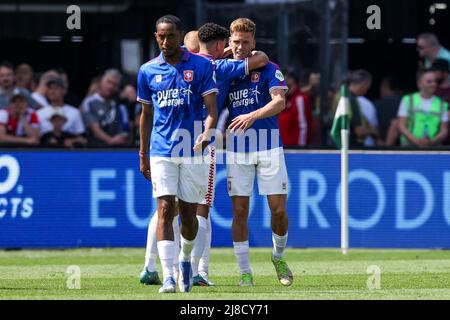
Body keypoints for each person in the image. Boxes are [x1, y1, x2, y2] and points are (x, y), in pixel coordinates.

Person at [137, 14, 218, 293]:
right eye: (160, 35)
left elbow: (212, 110)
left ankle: (185, 260)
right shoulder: (147, 70)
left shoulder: (200, 66)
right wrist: (142, 153)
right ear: (155, 36)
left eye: (170, 35)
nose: (165, 40)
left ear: (179, 35)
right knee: (164, 209)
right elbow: (145, 115)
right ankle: (169, 275)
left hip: (192, 149)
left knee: (188, 215)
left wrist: (207, 132)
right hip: (161, 150)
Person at [224, 17, 293, 287]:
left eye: (245, 42)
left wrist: (252, 115)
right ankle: (245, 271)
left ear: (254, 42)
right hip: (238, 149)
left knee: (278, 210)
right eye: (236, 41)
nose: (240, 46)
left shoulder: (268, 68)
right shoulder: (224, 70)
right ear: (229, 41)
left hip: (269, 145)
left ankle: (278, 257)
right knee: (240, 211)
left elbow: (279, 101)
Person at [397, 69, 448, 147]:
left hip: (433, 148)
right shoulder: (407, 100)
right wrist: (417, 142)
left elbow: (444, 130)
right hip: (409, 147)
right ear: (419, 84)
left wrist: (431, 142)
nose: (433, 84)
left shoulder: (442, 104)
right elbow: (401, 126)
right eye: (429, 81)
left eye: (435, 81)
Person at [81, 69, 130, 147]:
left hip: (118, 148)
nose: (111, 86)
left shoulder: (118, 103)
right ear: (101, 82)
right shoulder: (89, 102)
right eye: (109, 82)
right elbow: (95, 129)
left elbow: (125, 127)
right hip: (95, 148)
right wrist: (110, 140)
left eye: (115, 84)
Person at [278, 67, 312, 146]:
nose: (283, 80)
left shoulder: (300, 99)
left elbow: (303, 127)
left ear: (292, 79)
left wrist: (300, 149)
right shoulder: (284, 99)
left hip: (295, 150)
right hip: (284, 148)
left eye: (286, 77)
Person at [374, 76, 402, 145]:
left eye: (381, 87)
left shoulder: (374, 105)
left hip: (376, 146)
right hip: (400, 149)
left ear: (385, 88)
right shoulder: (404, 105)